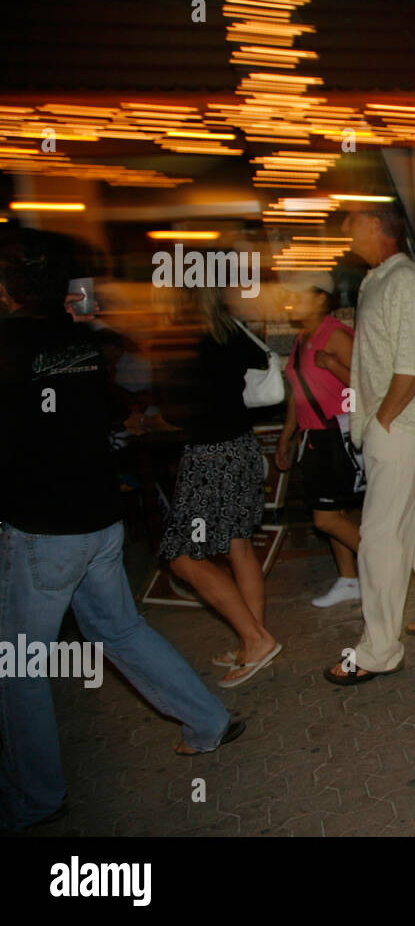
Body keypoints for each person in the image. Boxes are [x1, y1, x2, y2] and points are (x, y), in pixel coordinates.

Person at [0, 229, 243, 831]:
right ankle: (207, 721)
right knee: (121, 631)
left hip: (42, 530)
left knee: (18, 664)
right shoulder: (83, 344)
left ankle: (36, 797)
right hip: (98, 520)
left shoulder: (7, 346)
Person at [323, 203, 415, 686]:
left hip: (399, 427)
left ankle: (377, 651)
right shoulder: (385, 278)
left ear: (373, 226)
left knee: (381, 540)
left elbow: (412, 363)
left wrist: (384, 419)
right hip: (403, 426)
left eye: (350, 224)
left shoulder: (403, 281)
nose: (346, 234)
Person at [157, 279, 282, 688]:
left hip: (210, 457)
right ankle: (253, 641)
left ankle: (254, 638)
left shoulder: (184, 341)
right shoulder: (230, 331)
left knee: (183, 555)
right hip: (243, 449)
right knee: (239, 546)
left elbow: (178, 411)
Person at [274, 272, 364, 608]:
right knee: (333, 512)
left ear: (322, 299)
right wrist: (287, 439)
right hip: (314, 435)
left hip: (336, 433)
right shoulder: (302, 338)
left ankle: (384, 564)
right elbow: (299, 397)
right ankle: (349, 579)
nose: (292, 302)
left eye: (300, 296)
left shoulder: (336, 335)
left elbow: (368, 385)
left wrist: (333, 366)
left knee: (324, 518)